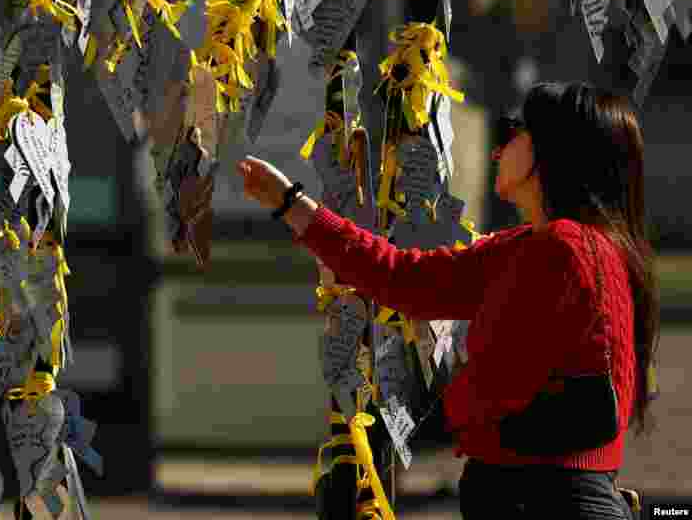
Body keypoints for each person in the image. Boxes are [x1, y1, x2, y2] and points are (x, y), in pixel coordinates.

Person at [238, 82, 658, 519]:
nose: (497, 151)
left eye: (513, 133)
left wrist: (472, 414)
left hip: (551, 501)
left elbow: (591, 406)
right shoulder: (526, 248)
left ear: (550, 149)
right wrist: (290, 203)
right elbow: (400, 276)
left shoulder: (571, 248)